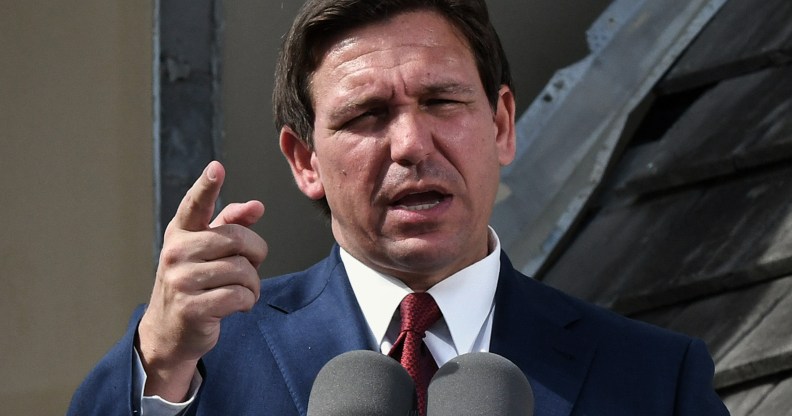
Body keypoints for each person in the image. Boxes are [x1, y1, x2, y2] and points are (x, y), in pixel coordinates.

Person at [68, 0, 729, 415]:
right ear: (304, 161)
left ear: (502, 124)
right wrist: (160, 356)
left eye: (442, 102)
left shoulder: (654, 379)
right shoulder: (202, 363)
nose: (412, 144)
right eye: (368, 115)